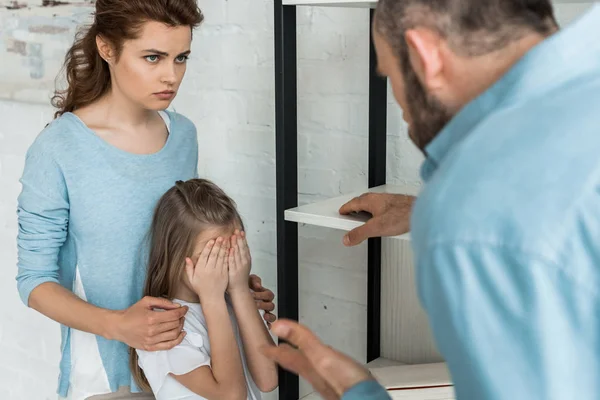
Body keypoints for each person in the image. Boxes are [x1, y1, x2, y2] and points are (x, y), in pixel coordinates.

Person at [264, 1, 600, 399]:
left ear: (426, 56)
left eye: (390, 75)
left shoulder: (469, 218)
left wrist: (359, 393)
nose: (402, 109)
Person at [15, 1, 275, 399]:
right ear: (107, 48)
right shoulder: (58, 149)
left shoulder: (183, 135)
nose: (171, 76)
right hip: (109, 379)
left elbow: (181, 239)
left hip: (195, 368)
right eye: (152, 57)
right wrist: (119, 325)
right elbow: (34, 282)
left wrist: (230, 286)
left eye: (181, 58)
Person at [132, 179, 278, 399]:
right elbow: (231, 396)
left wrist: (239, 290)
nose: (227, 265)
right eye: (213, 256)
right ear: (176, 257)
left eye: (234, 250)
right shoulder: (161, 327)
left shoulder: (235, 300)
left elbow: (269, 380)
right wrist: (212, 298)